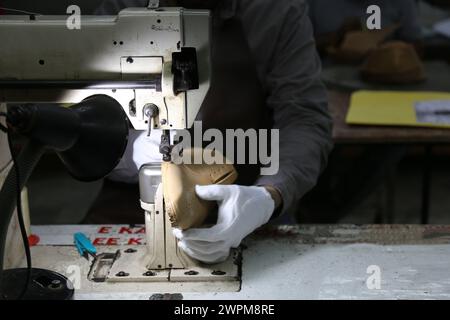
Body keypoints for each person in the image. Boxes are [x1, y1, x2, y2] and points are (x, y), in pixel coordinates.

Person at [93, 0, 333, 263]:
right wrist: (130, 150)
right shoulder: (123, 7)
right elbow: (87, 119)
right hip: (131, 207)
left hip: (246, 202)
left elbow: (304, 120)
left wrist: (269, 195)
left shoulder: (276, 11)